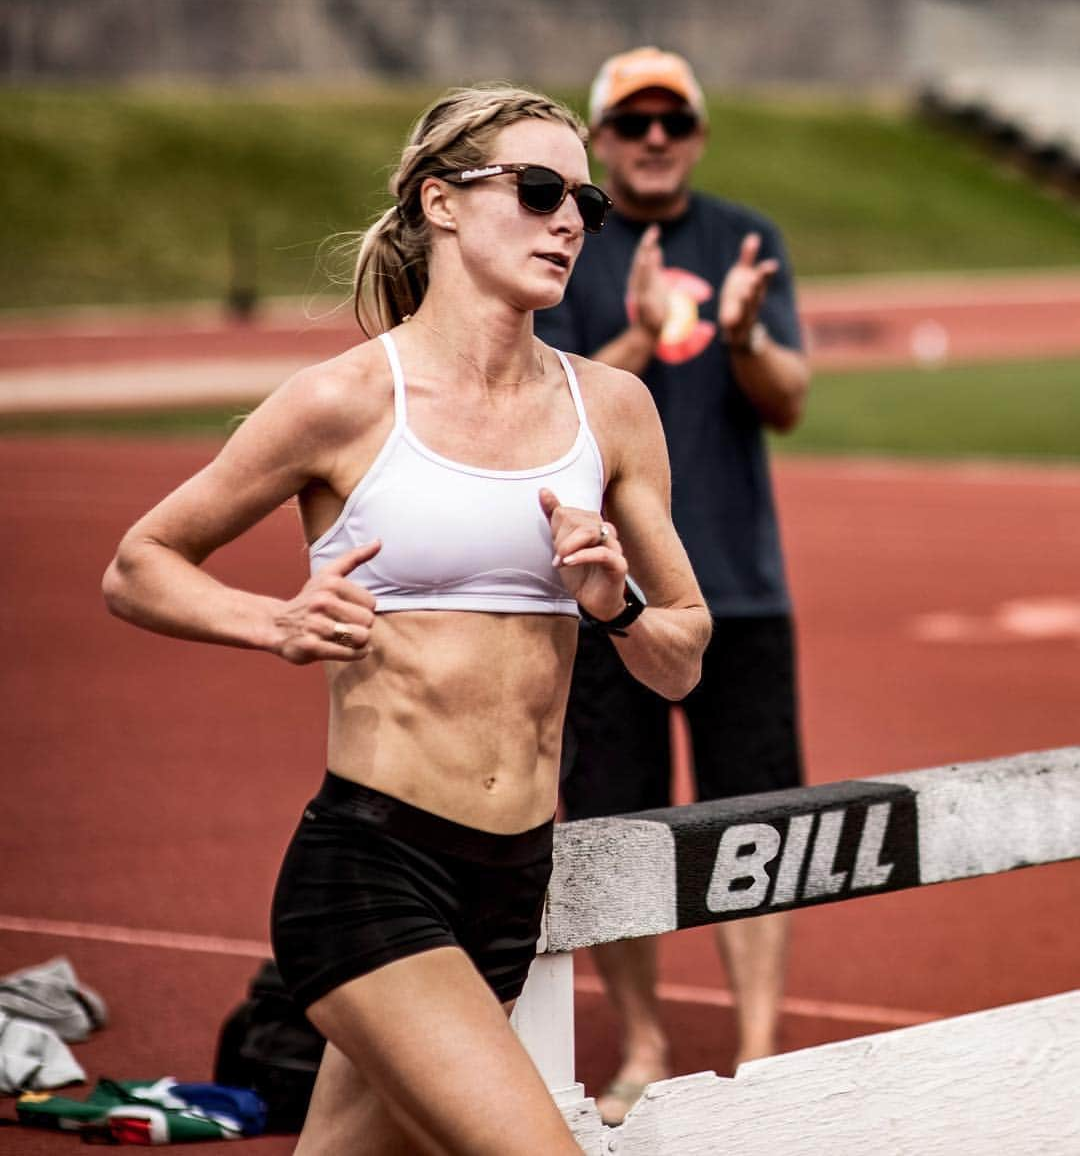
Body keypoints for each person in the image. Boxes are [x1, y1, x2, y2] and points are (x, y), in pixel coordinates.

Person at [103, 84, 712, 1156]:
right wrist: (270, 623)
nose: (569, 219)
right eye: (536, 190)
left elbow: (683, 661)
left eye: (585, 202)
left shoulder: (611, 410)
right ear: (441, 201)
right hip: (373, 870)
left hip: (512, 881)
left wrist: (614, 609)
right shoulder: (344, 402)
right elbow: (138, 565)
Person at [535, 48, 810, 1125]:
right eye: (634, 121)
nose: (655, 138)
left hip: (739, 585)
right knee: (615, 820)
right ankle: (643, 1041)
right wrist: (644, 333)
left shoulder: (748, 238)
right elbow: (549, 406)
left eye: (674, 120)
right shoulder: (564, 239)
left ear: (697, 131)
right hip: (606, 593)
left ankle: (759, 1050)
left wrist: (739, 330)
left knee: (762, 819)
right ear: (602, 135)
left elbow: (787, 402)